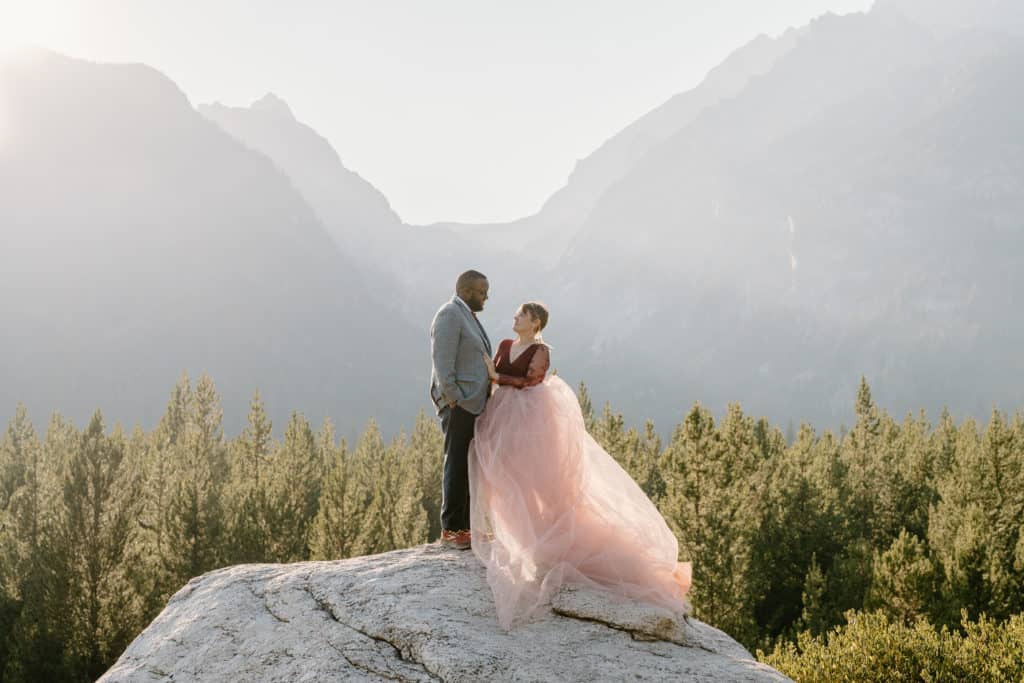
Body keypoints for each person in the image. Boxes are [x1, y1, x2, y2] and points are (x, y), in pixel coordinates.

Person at [469, 301, 692, 628]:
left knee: (538, 483)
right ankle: (524, 538)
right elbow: (498, 382)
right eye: (517, 314)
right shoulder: (505, 345)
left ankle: (548, 544)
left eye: (522, 315)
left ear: (535, 322)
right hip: (503, 418)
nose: (515, 318)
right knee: (507, 482)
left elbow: (531, 381)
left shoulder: (540, 351)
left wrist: (496, 375)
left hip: (530, 423)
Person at [429, 270, 492, 550]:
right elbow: (442, 361)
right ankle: (452, 530)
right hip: (461, 404)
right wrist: (455, 397)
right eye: (482, 291)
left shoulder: (468, 316)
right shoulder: (449, 314)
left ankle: (466, 528)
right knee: (455, 463)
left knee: (468, 465)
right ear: (466, 291)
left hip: (473, 404)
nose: (486, 296)